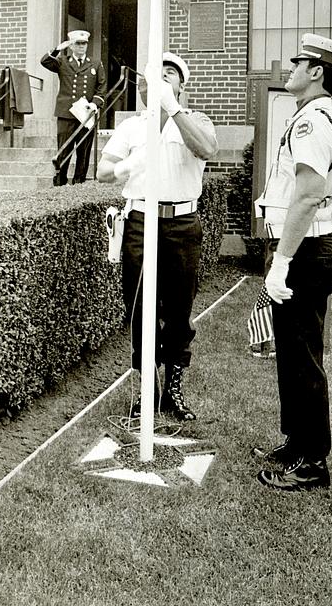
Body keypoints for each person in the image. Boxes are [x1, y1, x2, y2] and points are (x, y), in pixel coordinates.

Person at [253, 33, 332, 491]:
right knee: (292, 356)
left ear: (315, 72)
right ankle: (296, 443)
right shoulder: (310, 116)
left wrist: (282, 261)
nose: (290, 68)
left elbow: (309, 194)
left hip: (308, 252)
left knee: (303, 358)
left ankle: (313, 461)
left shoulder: (313, 121)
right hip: (304, 249)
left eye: (298, 62)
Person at [97, 52, 218, 420]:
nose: (161, 81)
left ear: (182, 85)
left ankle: (173, 390)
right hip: (139, 221)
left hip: (181, 225)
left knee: (179, 312)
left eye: (170, 75)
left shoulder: (196, 120)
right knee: (139, 308)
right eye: (154, 77)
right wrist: (127, 167)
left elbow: (207, 149)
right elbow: (103, 172)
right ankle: (146, 390)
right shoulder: (133, 127)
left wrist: (173, 110)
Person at [40, 30, 105, 186]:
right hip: (65, 113)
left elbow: (101, 87)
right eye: (77, 43)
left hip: (85, 114)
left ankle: (79, 183)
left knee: (83, 151)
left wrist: (95, 103)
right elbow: (45, 62)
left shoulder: (95, 63)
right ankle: (60, 182)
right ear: (71, 46)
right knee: (64, 150)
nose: (81, 47)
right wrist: (58, 49)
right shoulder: (62, 61)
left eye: (84, 44)